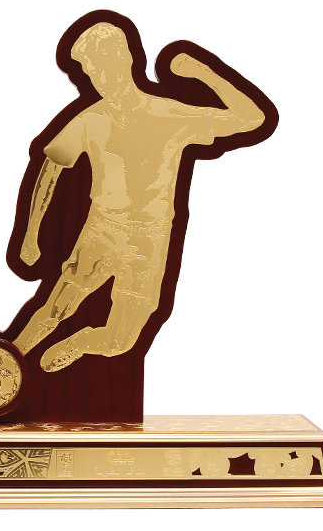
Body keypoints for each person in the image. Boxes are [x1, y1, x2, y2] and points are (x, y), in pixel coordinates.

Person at [14, 22, 265, 372]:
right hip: (102, 230)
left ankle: (81, 342)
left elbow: (251, 118)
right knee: (56, 308)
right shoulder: (91, 120)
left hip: (149, 241)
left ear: (125, 59)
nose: (98, 78)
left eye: (103, 67)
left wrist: (202, 71)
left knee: (119, 343)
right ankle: (6, 359)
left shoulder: (169, 115)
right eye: (91, 71)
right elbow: (50, 170)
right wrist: (30, 236)